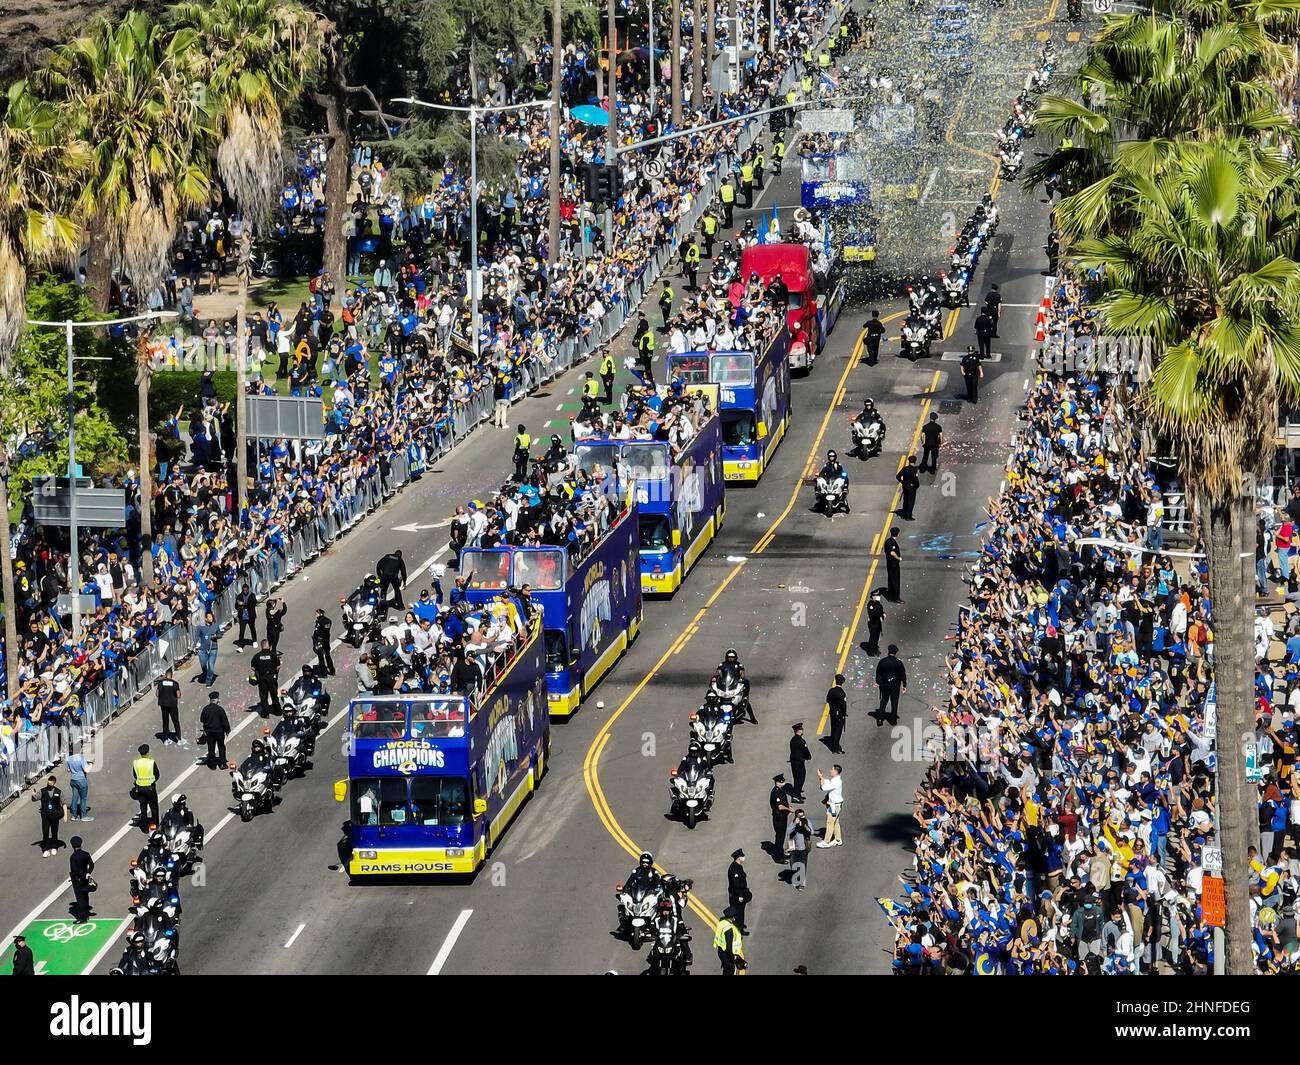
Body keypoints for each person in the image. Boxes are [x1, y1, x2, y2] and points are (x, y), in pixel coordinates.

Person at [32, 774, 67, 857]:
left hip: (55, 815)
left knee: (54, 832)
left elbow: (64, 803)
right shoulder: (42, 791)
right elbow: (34, 799)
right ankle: (46, 849)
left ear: (54, 783)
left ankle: (54, 847)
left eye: (51, 784)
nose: (49, 785)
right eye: (48, 784)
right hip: (45, 815)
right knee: (45, 832)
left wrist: (65, 815)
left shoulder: (59, 792)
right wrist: (33, 795)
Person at [875, 644, 907, 726]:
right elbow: (903, 675)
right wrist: (904, 685)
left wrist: (879, 683)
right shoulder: (898, 663)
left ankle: (880, 719)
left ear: (888, 651)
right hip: (895, 686)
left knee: (884, 701)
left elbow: (878, 673)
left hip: (885, 685)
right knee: (894, 702)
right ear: (895, 653)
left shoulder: (882, 662)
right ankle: (893, 720)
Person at [131, 743, 160, 831]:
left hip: (140, 789)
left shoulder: (136, 763)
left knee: (143, 808)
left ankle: (144, 827)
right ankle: (154, 827)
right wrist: (152, 781)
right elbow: (157, 774)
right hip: (150, 789)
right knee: (154, 808)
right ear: (147, 753)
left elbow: (135, 775)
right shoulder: (151, 762)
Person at [200, 691, 231, 769]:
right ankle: (222, 764)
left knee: (211, 747)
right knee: (221, 747)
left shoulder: (205, 709)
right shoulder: (220, 709)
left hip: (209, 732)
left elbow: (202, 720)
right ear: (216, 699)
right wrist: (227, 731)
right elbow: (225, 722)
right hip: (219, 732)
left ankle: (213, 765)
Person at [815, 765, 844, 848]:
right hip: (836, 804)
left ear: (835, 771)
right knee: (835, 822)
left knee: (830, 823)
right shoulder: (835, 780)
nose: (830, 770)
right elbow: (826, 782)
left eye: (832, 769)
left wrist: (821, 779)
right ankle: (838, 839)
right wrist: (821, 777)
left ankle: (826, 841)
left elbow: (823, 788)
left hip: (834, 806)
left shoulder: (836, 782)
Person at [250, 640, 282, 715]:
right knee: (274, 694)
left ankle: (265, 713)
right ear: (267, 646)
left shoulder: (257, 656)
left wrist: (258, 671)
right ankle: (278, 711)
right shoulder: (272, 655)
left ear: (261, 646)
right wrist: (275, 672)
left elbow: (252, 667)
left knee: (263, 695)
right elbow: (278, 666)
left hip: (262, 677)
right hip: (271, 677)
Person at [769, 773, 794, 863]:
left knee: (782, 836)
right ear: (776, 783)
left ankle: (781, 853)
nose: (783, 783)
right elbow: (780, 807)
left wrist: (789, 807)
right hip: (778, 818)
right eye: (781, 782)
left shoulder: (781, 790)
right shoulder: (775, 792)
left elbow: (785, 802)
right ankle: (778, 857)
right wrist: (789, 809)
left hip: (783, 816)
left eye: (783, 782)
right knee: (779, 837)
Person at [69, 836, 94, 924]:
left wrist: (83, 874)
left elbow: (75, 869)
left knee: (80, 899)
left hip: (77, 880)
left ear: (72, 845)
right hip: (85, 880)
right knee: (86, 896)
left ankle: (82, 917)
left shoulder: (73, 857)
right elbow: (91, 864)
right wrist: (88, 873)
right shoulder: (86, 854)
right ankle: (87, 914)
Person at [714, 906, 745, 975]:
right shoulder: (729, 929)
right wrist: (733, 956)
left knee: (726, 969)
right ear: (732, 917)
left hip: (721, 951)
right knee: (730, 970)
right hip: (727, 954)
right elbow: (729, 945)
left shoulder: (722, 922)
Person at [786, 809, 812, 889]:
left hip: (803, 848)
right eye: (800, 816)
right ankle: (796, 877)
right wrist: (794, 824)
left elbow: (812, 832)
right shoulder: (793, 822)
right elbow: (787, 831)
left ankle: (801, 882)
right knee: (794, 864)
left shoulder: (806, 822)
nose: (802, 817)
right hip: (794, 848)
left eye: (803, 815)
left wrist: (805, 827)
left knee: (803, 864)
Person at [726, 849, 751, 932]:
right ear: (738, 858)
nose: (743, 857)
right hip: (736, 895)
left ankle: (741, 924)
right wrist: (740, 895)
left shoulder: (738, 866)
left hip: (740, 892)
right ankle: (739, 929)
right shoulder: (735, 869)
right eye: (741, 856)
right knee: (738, 912)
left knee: (741, 910)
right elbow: (736, 884)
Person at [157, 667, 182, 746]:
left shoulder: (160, 683)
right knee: (175, 721)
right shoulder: (175, 683)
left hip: (163, 704)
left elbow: (157, 694)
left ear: (165, 674)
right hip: (172, 705)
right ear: (171, 675)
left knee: (165, 721)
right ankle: (178, 738)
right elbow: (178, 695)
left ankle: (165, 739)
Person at [195, 609, 220, 685]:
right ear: (205, 619)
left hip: (213, 648)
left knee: (211, 666)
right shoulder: (200, 627)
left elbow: (219, 634)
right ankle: (206, 674)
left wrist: (216, 636)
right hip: (202, 650)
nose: (211, 618)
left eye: (211, 617)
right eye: (209, 617)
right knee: (203, 665)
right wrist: (194, 646)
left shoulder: (215, 626)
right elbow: (196, 637)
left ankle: (209, 681)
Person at [67, 748, 92, 821]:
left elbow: (68, 770)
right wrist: (90, 764)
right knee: (83, 798)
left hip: (73, 780)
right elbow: (86, 770)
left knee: (74, 798)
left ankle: (74, 815)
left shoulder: (69, 759)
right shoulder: (81, 759)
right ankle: (83, 816)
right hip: (81, 780)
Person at [789, 722, 812, 800]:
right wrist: (809, 757)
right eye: (802, 729)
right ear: (799, 730)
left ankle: (797, 793)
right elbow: (805, 750)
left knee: (796, 778)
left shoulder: (792, 740)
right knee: (801, 778)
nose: (803, 730)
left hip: (793, 762)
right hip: (799, 763)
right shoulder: (801, 741)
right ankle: (795, 796)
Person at [826, 673, 848, 754]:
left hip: (832, 712)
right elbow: (843, 705)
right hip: (839, 714)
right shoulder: (842, 693)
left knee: (833, 727)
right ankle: (835, 747)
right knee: (838, 731)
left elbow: (827, 700)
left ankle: (833, 743)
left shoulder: (831, 691)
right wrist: (844, 714)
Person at [312, 608, 336, 676]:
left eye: (316, 614)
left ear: (320, 614)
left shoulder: (319, 622)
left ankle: (323, 672)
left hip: (320, 640)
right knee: (328, 655)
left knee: (321, 656)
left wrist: (314, 640)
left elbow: (316, 632)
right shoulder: (328, 621)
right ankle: (332, 671)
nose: (315, 615)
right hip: (327, 640)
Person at [896, 455, 920, 520]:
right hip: (911, 488)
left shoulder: (904, 469)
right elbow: (916, 480)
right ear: (915, 461)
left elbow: (898, 476)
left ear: (909, 461)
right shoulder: (914, 470)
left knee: (905, 500)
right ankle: (908, 516)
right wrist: (916, 486)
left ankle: (904, 513)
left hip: (905, 486)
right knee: (911, 502)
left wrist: (902, 482)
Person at [235, 584, 257, 650]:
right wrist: (239, 606)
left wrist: (243, 604)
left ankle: (254, 640)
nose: (245, 591)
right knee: (242, 631)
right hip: (242, 617)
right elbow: (236, 606)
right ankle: (240, 645)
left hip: (250, 616)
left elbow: (253, 604)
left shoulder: (252, 595)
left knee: (252, 628)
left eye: (246, 590)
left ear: (248, 589)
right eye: (244, 590)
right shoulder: (239, 596)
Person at [884, 526, 903, 602]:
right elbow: (892, 553)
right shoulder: (892, 543)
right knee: (895, 581)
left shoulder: (887, 541)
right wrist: (898, 558)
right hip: (893, 565)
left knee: (891, 580)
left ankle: (890, 596)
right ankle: (896, 598)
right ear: (897, 534)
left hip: (889, 563)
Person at [865, 589, 885, 656]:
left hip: (877, 623)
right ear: (873, 596)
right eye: (877, 596)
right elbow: (873, 613)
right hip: (873, 623)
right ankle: (871, 651)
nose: (878, 597)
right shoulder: (871, 604)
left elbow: (880, 611)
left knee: (877, 637)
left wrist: (883, 614)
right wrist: (880, 616)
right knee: (873, 637)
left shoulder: (878, 604)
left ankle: (875, 649)